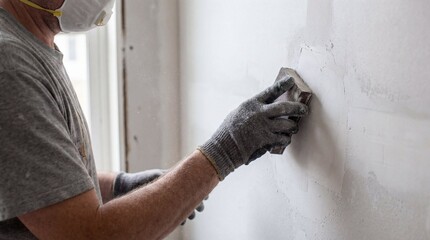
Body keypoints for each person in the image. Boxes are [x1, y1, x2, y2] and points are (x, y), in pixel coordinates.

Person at [0, 0, 309, 239]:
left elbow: (44, 180)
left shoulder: (33, 44)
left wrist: (118, 186)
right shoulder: (10, 66)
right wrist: (228, 148)